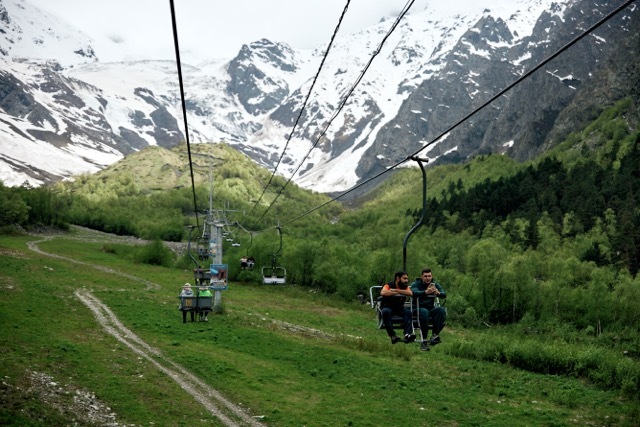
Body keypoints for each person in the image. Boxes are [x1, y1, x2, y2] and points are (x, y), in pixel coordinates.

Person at [410, 268, 447, 351]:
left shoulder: (434, 284)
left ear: (431, 276)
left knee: (441, 310)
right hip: (418, 308)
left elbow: (444, 294)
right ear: (422, 277)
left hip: (430, 308)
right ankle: (424, 340)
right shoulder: (416, 284)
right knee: (424, 312)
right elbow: (413, 293)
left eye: (429, 276)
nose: (428, 278)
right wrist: (425, 292)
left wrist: (438, 293)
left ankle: (435, 334)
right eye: (425, 276)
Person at [380, 271, 415, 344]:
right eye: (404, 278)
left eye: (407, 279)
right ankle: (392, 335)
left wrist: (396, 291)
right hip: (388, 306)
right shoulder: (388, 285)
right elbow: (383, 292)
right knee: (386, 312)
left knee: (408, 312)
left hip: (399, 307)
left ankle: (407, 334)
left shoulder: (405, 287)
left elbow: (410, 293)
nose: (406, 281)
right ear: (398, 278)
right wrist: (398, 293)